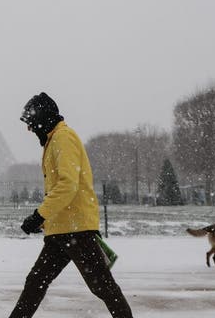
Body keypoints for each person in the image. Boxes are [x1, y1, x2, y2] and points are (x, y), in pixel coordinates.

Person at [9, 92, 133, 318]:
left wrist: (39, 215)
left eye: (31, 124)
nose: (29, 130)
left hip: (77, 229)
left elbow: (68, 185)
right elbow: (61, 186)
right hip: (61, 229)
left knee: (102, 286)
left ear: (43, 118)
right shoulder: (53, 139)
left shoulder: (63, 138)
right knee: (36, 281)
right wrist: (45, 219)